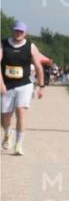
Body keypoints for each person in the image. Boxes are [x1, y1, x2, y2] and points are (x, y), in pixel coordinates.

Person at [1, 21, 46, 156]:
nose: (18, 33)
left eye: (21, 31)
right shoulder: (3, 44)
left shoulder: (30, 47)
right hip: (6, 85)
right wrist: (1, 83)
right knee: (5, 116)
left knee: (21, 112)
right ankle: (8, 133)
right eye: (16, 31)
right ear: (12, 31)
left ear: (25, 33)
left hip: (24, 84)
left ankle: (19, 144)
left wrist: (41, 86)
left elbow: (38, 67)